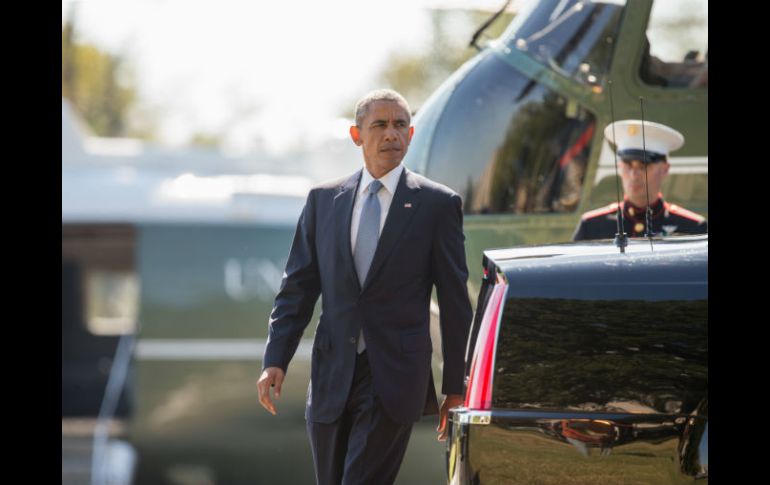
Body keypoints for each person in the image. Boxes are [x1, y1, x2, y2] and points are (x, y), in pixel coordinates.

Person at [256, 89, 473, 485]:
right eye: (380, 125)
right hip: (331, 376)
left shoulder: (437, 205)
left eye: (400, 125)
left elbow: (456, 302)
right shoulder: (323, 201)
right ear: (357, 135)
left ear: (411, 134)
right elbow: (298, 288)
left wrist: (455, 388)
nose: (392, 134)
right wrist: (275, 359)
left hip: (393, 378)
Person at [573, 119, 707, 241]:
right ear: (619, 166)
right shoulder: (592, 227)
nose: (634, 175)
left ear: (665, 169)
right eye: (628, 165)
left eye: (643, 166)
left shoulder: (693, 229)